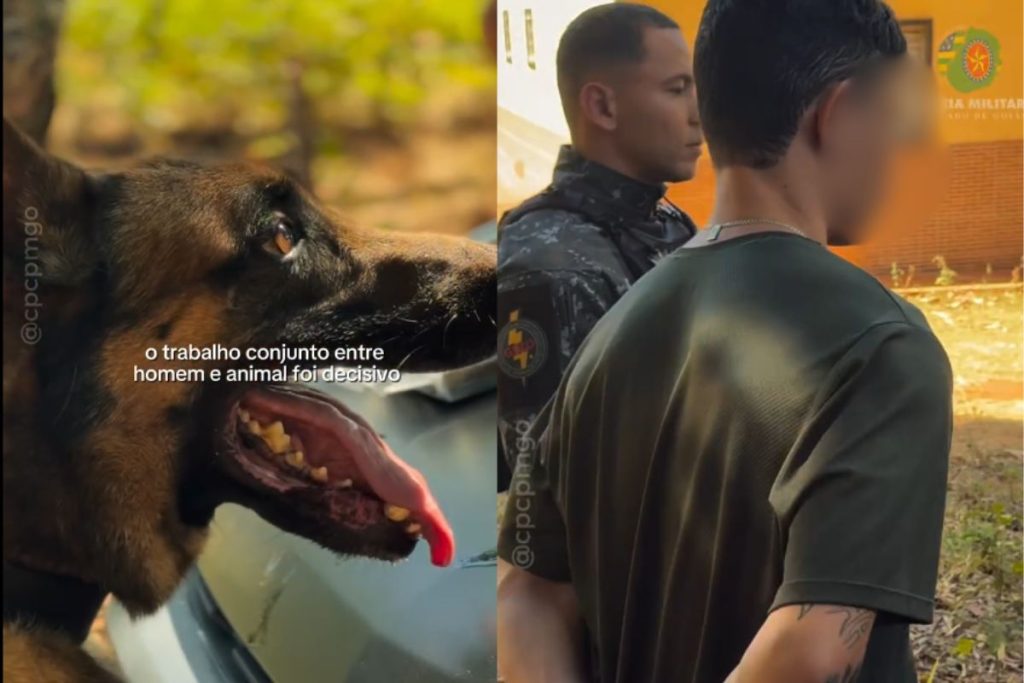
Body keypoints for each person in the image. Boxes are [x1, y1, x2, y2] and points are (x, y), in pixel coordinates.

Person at [497, 1, 952, 682]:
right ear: (838, 111)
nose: (898, 148)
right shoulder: (883, 346)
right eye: (892, 119)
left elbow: (526, 591)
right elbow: (813, 648)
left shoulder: (610, 332)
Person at [497, 3, 703, 492]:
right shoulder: (550, 267)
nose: (701, 112)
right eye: (677, 90)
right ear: (603, 107)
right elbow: (549, 488)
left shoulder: (666, 221)